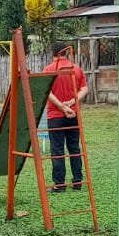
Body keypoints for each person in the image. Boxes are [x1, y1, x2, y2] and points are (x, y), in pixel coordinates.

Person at [42, 42, 88, 192]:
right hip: (73, 114)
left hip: (55, 115)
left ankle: (59, 185)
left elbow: (47, 92)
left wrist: (61, 107)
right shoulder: (76, 68)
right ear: (66, 53)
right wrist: (72, 102)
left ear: (52, 53)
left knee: (57, 150)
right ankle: (77, 182)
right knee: (74, 148)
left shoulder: (48, 69)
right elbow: (84, 89)